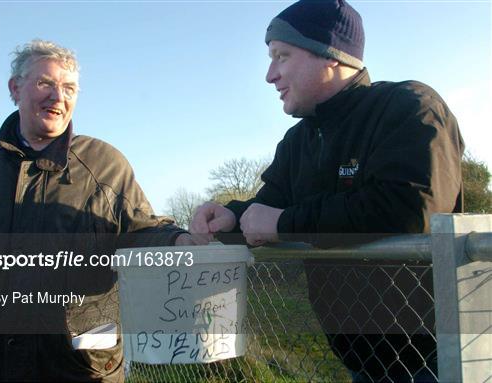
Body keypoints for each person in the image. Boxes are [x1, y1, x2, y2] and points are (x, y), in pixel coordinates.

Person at [190, 1, 464, 382]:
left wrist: (287, 223)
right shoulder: (299, 140)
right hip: (360, 363)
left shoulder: (410, 107)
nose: (270, 75)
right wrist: (232, 216)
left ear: (330, 56)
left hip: (435, 361)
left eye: (281, 56)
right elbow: (269, 207)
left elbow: (409, 206)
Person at [0, 39, 196, 382]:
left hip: (79, 366)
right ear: (15, 88)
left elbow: (142, 229)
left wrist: (177, 240)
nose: (57, 97)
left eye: (69, 88)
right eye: (44, 83)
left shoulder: (105, 165)